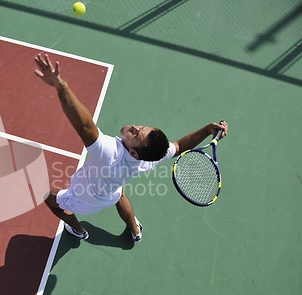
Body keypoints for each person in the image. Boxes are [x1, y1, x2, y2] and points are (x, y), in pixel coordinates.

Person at [34, 53, 228, 242]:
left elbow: (85, 127)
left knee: (49, 198)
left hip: (85, 199)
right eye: (141, 127)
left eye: (136, 134)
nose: (134, 127)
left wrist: (62, 86)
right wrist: (206, 130)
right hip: (110, 193)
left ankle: (77, 229)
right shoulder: (152, 156)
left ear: (134, 151)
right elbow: (178, 146)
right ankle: (135, 230)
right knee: (120, 194)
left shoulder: (110, 153)